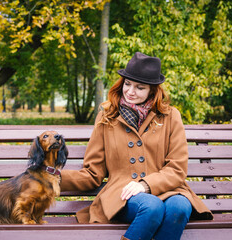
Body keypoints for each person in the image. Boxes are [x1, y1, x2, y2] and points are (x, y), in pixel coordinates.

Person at [60, 52, 213, 240]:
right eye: (127, 84)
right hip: (122, 195)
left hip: (170, 189)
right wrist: (52, 177)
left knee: (180, 208)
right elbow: (93, 173)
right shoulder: (107, 116)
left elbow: (177, 168)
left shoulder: (171, 116)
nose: (130, 92)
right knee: (152, 207)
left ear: (153, 90)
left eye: (140, 87)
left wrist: (146, 185)